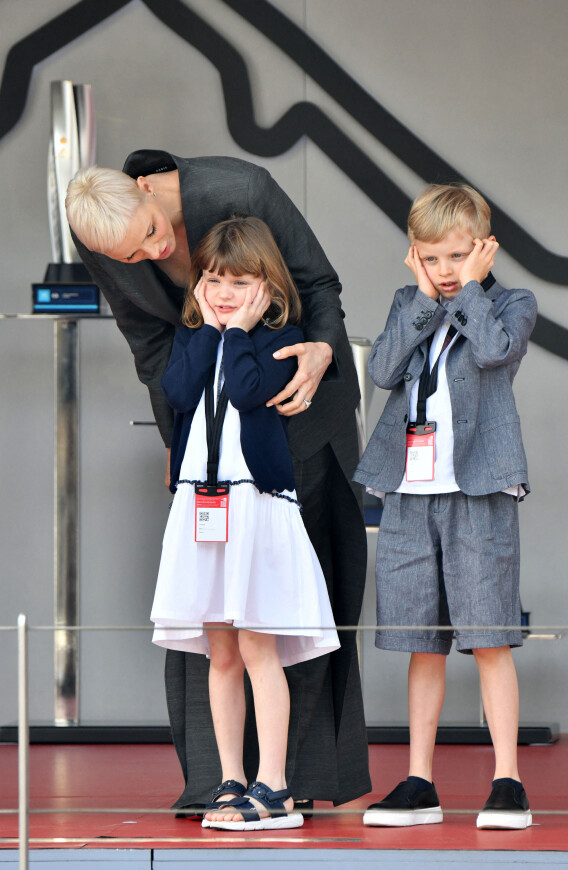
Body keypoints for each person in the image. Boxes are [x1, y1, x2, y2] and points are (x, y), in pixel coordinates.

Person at [65, 150, 370, 812]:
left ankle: (294, 782)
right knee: (212, 631)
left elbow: (319, 284)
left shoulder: (242, 189)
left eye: (151, 230)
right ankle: (219, 779)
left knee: (287, 615)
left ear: (148, 189)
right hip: (207, 448)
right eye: (130, 253)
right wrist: (181, 442)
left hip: (295, 402)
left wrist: (318, 349)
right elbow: (152, 349)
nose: (152, 251)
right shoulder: (105, 240)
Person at [354, 183, 537, 830]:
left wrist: (472, 291)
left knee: (490, 637)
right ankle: (419, 781)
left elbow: (494, 352)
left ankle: (508, 780)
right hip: (408, 490)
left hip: (478, 490)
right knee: (419, 641)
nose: (446, 270)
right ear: (415, 257)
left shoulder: (509, 302)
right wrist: (426, 300)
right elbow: (380, 372)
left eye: (458, 257)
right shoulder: (412, 302)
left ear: (484, 249)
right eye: (431, 259)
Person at [151, 215, 340, 831]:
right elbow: (180, 392)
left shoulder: (279, 337)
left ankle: (275, 785)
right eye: (211, 277)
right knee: (220, 650)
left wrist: (240, 332)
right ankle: (230, 777)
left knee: (259, 644)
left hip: (255, 505)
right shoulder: (195, 334)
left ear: (265, 284)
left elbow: (248, 390)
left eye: (237, 279)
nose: (223, 290)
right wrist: (209, 329)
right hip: (203, 506)